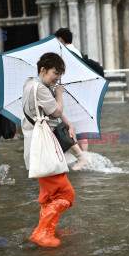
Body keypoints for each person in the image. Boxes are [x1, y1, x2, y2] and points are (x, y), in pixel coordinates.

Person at [22, 52, 76, 247]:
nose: (58, 78)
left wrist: (69, 125)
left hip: (36, 146)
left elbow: (49, 114)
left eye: (61, 73)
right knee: (65, 195)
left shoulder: (30, 84)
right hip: (44, 149)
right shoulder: (42, 90)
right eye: (56, 72)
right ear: (43, 69)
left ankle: (47, 229)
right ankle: (42, 234)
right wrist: (59, 94)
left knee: (48, 195)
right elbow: (57, 111)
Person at [52, 28, 90, 164]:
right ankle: (84, 155)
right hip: (80, 91)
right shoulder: (77, 52)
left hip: (66, 93)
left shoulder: (65, 53)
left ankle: (81, 157)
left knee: (65, 124)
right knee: (81, 123)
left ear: (60, 39)